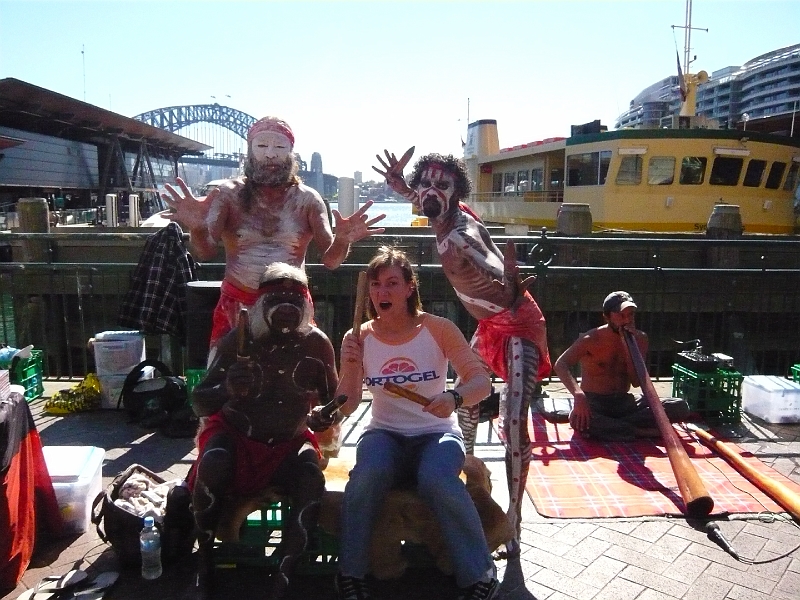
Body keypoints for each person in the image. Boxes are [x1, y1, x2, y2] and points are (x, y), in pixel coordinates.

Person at [374, 150, 550, 548]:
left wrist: (505, 276)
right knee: (466, 402)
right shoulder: (442, 210)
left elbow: (482, 257)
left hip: (518, 327)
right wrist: (400, 185)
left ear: (456, 192)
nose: (430, 192)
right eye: (426, 184)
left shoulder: (460, 234)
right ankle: (471, 498)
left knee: (515, 423)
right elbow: (421, 199)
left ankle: (513, 524)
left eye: (442, 185)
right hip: (489, 324)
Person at [334, 246, 498, 600]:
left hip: (435, 433)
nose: (382, 292)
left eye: (392, 283)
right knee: (366, 478)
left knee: (436, 478)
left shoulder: (437, 328)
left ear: (410, 287)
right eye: (376, 284)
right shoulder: (358, 337)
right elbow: (346, 404)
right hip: (383, 432)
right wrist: (349, 366)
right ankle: (351, 572)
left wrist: (454, 398)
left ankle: (481, 574)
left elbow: (480, 382)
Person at [162, 116, 386, 358]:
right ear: (249, 152)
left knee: (296, 381)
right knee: (230, 381)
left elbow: (330, 261)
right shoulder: (227, 195)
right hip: (237, 303)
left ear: (291, 153)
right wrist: (196, 228)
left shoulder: (308, 200)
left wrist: (342, 240)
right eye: (261, 146)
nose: (270, 155)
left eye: (279, 147)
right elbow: (204, 252)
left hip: (291, 303)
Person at [188, 262, 340, 600]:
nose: (286, 308)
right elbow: (199, 404)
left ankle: (284, 575)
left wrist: (324, 417)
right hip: (236, 437)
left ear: (306, 306)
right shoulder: (238, 341)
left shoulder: (318, 346)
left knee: (311, 478)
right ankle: (204, 562)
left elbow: (334, 403)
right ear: (260, 305)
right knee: (213, 461)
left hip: (290, 443)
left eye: (295, 300)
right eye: (276, 299)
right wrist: (228, 388)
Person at [553, 290, 689, 441]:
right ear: (607, 317)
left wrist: (628, 346)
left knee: (679, 407)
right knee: (581, 420)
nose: (627, 320)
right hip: (596, 401)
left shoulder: (640, 339)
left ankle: (620, 429)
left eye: (630, 315)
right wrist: (578, 395)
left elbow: (636, 382)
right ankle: (640, 432)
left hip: (624, 402)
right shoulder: (590, 339)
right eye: (621, 315)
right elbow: (561, 364)